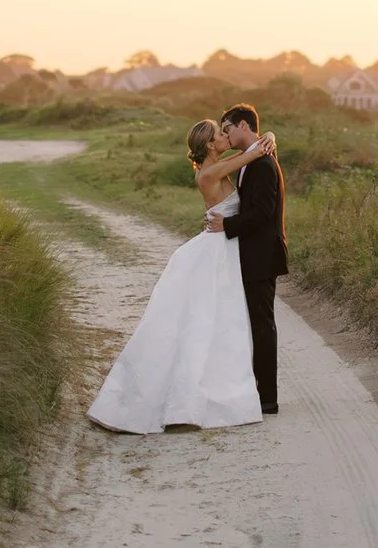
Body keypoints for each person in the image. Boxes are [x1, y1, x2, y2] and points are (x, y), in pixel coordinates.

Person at [86, 116, 280, 433]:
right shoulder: (210, 172)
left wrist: (269, 134)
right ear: (209, 144)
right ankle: (188, 397)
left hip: (225, 249)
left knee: (218, 323)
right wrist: (266, 139)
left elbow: (253, 149)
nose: (225, 137)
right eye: (220, 134)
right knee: (204, 322)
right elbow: (252, 154)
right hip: (215, 251)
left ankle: (213, 387)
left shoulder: (220, 163)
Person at [204, 102, 286, 415]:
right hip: (251, 254)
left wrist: (228, 224)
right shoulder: (253, 158)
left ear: (242, 125)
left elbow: (263, 213)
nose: (225, 135)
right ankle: (259, 392)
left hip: (262, 256)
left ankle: (267, 398)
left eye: (227, 129)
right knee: (255, 325)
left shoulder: (263, 163)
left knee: (263, 326)